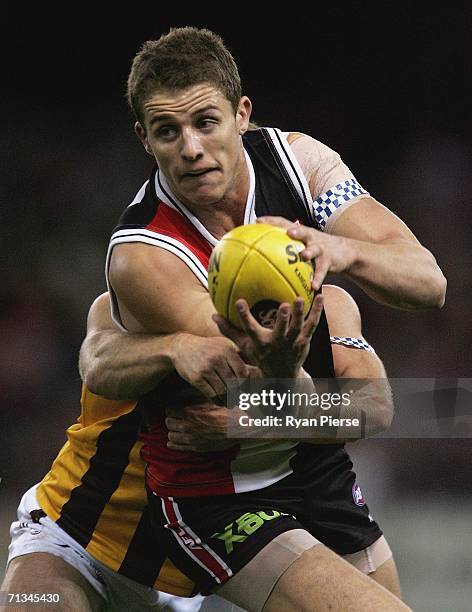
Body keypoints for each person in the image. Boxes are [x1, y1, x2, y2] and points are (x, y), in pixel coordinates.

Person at [103, 26, 431, 610]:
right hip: (217, 495)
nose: (191, 148)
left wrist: (342, 249)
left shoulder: (299, 166)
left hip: (315, 469)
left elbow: (427, 283)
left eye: (206, 121)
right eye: (166, 131)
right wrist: (275, 394)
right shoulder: (147, 256)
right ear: (143, 140)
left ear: (242, 115)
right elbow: (272, 396)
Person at [4, 288, 397, 612]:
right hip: (74, 537)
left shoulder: (323, 308)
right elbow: (95, 363)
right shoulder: (135, 301)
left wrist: (244, 423)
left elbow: (373, 409)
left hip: (190, 570)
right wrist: (175, 348)